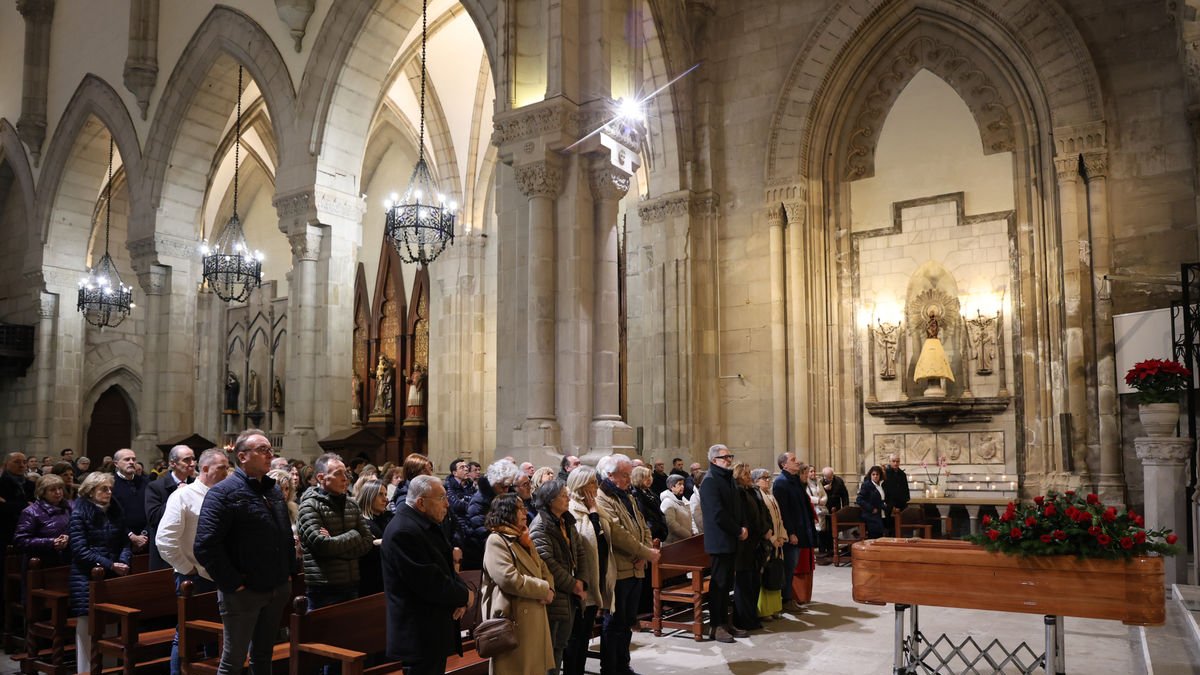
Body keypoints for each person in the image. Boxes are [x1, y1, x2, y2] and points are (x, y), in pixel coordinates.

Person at [194, 429, 298, 675]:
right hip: (243, 592)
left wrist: (288, 572)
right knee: (233, 661)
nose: (269, 454)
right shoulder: (222, 493)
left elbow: (282, 535)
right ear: (241, 456)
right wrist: (233, 582)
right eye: (262, 450)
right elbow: (205, 545)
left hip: (276, 585)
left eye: (270, 450)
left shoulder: (272, 490)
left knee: (264, 656)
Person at [381, 475, 473, 675]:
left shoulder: (422, 525)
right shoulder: (404, 531)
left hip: (432, 629)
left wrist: (464, 593)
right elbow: (429, 582)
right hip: (419, 633)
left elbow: (444, 568)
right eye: (441, 498)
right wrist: (465, 596)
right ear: (421, 502)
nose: (448, 504)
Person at [157, 448, 231, 675]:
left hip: (222, 574)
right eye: (222, 468)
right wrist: (188, 568)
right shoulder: (183, 496)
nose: (227, 472)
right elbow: (165, 540)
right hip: (193, 578)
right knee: (187, 635)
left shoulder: (225, 494)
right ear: (205, 468)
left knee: (218, 632)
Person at [594, 453, 658, 673]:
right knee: (614, 623)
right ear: (610, 475)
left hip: (636, 567)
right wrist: (644, 552)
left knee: (628, 621)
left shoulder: (627, 495)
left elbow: (642, 525)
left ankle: (623, 664)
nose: (629, 479)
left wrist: (646, 552)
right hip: (619, 569)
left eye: (629, 474)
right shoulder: (602, 497)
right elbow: (617, 533)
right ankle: (610, 668)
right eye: (625, 475)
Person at [481, 492, 555, 675]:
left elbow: (542, 567)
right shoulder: (496, 540)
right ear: (507, 512)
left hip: (534, 610)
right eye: (520, 508)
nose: (525, 511)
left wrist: (550, 587)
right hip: (514, 617)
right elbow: (508, 578)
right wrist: (543, 589)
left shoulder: (522, 538)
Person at [69, 471, 132, 672]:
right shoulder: (79, 513)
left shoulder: (115, 510)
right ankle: (86, 670)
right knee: (88, 626)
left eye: (110, 488)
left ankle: (109, 669)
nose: (109, 492)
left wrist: (123, 561)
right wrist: (110, 564)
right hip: (86, 578)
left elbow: (124, 541)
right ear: (90, 491)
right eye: (103, 489)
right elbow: (80, 550)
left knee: (112, 622)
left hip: (112, 575)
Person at [297, 452, 377, 609]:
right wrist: (355, 535)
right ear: (321, 478)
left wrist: (334, 544)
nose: (345, 478)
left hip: (352, 583)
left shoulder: (351, 505)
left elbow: (367, 541)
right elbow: (322, 546)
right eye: (338, 473)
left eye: (345, 473)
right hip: (324, 587)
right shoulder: (309, 506)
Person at [530, 480, 586, 675]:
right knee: (549, 649)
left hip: (569, 594)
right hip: (555, 595)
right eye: (563, 495)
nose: (567, 498)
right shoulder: (540, 526)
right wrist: (573, 585)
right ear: (550, 500)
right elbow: (547, 562)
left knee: (560, 645)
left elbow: (580, 552)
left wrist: (582, 580)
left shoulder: (567, 521)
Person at [563, 467, 613, 675]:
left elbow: (603, 540)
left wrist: (594, 512)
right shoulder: (572, 509)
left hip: (596, 580)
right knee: (574, 640)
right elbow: (584, 543)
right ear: (581, 486)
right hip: (580, 585)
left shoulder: (594, 507)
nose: (596, 487)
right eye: (592, 483)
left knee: (584, 638)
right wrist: (593, 515)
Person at [700, 444, 744, 643]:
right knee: (718, 585)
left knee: (727, 584)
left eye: (729, 456)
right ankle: (716, 626)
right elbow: (718, 514)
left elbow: (736, 507)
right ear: (713, 460)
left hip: (731, 539)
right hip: (719, 541)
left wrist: (742, 526)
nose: (728, 459)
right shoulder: (710, 481)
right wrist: (737, 530)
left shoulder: (728, 479)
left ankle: (726, 623)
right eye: (724, 457)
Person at [731, 462, 770, 632]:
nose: (749, 477)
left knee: (754, 582)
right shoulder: (738, 492)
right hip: (744, 545)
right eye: (745, 474)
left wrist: (767, 528)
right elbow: (745, 517)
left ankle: (752, 616)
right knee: (744, 584)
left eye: (749, 473)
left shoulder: (752, 491)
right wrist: (761, 530)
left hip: (756, 542)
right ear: (738, 476)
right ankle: (743, 620)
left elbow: (763, 512)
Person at [461, 459, 521, 570]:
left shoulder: (502, 496)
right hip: (480, 554)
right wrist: (504, 545)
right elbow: (480, 530)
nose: (506, 490)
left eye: (508, 486)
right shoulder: (479, 501)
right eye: (503, 487)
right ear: (494, 482)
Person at [146, 444, 196, 569]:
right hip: (167, 552)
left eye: (193, 459)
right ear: (173, 463)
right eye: (186, 460)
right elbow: (154, 518)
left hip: (191, 549)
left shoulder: (196, 485)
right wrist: (176, 495)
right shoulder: (155, 487)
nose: (192, 463)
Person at [14, 474, 72, 567]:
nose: (58, 492)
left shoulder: (70, 507)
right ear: (42, 493)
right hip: (42, 562)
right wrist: (51, 542)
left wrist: (68, 537)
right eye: (52, 490)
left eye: (60, 488)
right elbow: (21, 541)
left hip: (69, 559)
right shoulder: (31, 512)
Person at [752, 468, 786, 619]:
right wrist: (772, 539)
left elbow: (779, 519)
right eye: (763, 478)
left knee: (776, 574)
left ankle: (774, 608)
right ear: (755, 480)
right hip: (767, 542)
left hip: (777, 541)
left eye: (768, 477)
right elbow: (763, 521)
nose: (767, 480)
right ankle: (764, 610)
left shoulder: (770, 495)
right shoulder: (758, 495)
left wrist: (782, 537)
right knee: (766, 575)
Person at [355, 480, 392, 597]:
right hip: (370, 579)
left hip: (387, 576)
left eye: (385, 494)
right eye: (380, 494)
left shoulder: (387, 518)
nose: (385, 499)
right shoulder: (361, 522)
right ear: (369, 496)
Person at [111, 448, 150, 554]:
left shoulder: (146, 482)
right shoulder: (110, 484)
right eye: (127, 459)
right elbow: (111, 515)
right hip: (121, 541)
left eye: (134, 459)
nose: (132, 462)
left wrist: (144, 534)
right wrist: (131, 536)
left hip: (147, 539)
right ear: (116, 464)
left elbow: (151, 509)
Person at [659, 474, 693, 543]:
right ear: (672, 487)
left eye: (683, 484)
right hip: (675, 542)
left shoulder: (684, 500)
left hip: (688, 539)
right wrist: (688, 535)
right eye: (679, 484)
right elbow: (671, 524)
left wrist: (693, 531)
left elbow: (692, 516)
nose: (682, 486)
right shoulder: (667, 502)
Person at [857, 465, 888, 539]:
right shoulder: (867, 485)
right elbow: (859, 499)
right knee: (874, 536)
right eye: (873, 474)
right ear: (870, 475)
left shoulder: (880, 485)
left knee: (881, 535)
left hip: (880, 513)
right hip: (871, 515)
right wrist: (871, 509)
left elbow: (881, 499)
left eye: (877, 474)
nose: (875, 476)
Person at [806, 466, 830, 562]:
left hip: (821, 508)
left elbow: (824, 494)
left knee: (822, 529)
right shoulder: (805, 483)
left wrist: (823, 500)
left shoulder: (818, 482)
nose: (813, 473)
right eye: (811, 471)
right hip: (813, 508)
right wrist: (818, 500)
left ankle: (822, 550)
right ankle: (817, 552)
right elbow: (807, 496)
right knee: (816, 529)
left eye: (814, 471)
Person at [882, 454, 910, 527]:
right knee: (890, 526)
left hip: (901, 505)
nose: (895, 463)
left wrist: (901, 505)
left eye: (897, 461)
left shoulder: (902, 474)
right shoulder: (885, 474)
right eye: (893, 461)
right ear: (890, 462)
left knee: (901, 527)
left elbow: (905, 490)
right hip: (889, 505)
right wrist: (892, 506)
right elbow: (885, 490)